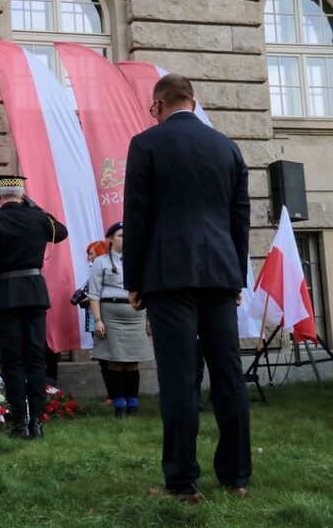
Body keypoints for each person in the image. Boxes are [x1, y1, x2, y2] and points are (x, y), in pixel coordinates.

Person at [124, 73, 251, 502]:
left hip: (168, 275)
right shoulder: (228, 147)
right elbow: (240, 219)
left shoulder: (145, 145)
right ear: (194, 103)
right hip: (220, 274)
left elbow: (136, 218)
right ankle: (235, 477)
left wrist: (134, 280)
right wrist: (236, 277)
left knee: (179, 378)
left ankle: (182, 482)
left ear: (158, 106)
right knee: (229, 376)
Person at [0, 175, 68, 439]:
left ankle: (20, 424)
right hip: (35, 294)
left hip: (5, 297)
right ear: (23, 195)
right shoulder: (38, 219)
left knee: (14, 362)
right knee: (36, 359)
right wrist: (36, 207)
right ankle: (37, 422)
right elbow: (61, 231)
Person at [88, 222, 154, 418]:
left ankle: (133, 404)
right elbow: (94, 294)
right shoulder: (101, 262)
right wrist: (98, 320)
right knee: (115, 362)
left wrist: (149, 319)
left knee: (132, 362)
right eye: (120, 235)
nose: (125, 239)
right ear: (110, 239)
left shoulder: (139, 260)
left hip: (136, 316)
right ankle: (119, 406)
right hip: (111, 316)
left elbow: (147, 290)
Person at [83, 240, 112, 405]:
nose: (89, 257)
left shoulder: (104, 270)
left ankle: (114, 395)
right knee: (102, 359)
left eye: (91, 253)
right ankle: (112, 395)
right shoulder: (94, 271)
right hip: (96, 320)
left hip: (104, 319)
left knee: (108, 359)